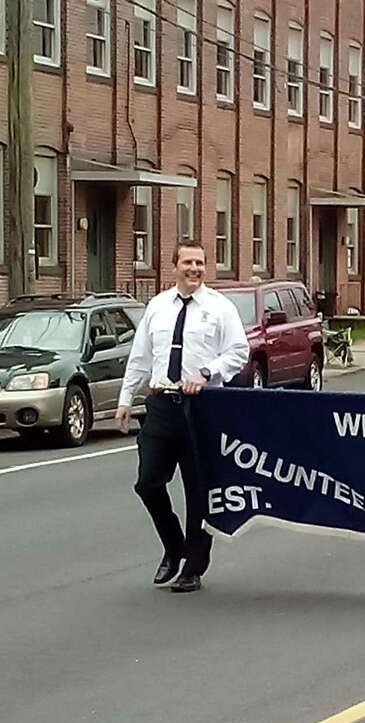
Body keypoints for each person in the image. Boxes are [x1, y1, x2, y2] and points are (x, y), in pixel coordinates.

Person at [116, 240, 250, 593]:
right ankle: (174, 547)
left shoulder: (219, 308)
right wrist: (126, 399)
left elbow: (238, 352)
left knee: (198, 490)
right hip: (162, 402)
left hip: (202, 407)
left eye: (200, 263)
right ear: (174, 266)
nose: (194, 269)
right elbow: (141, 356)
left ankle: (193, 566)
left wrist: (207, 372)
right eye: (188, 262)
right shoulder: (158, 306)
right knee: (147, 482)